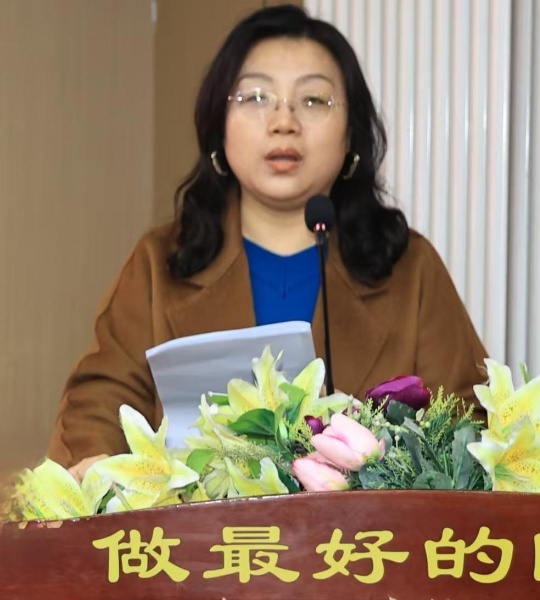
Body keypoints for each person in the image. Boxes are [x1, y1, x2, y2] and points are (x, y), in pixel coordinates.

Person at [47, 5, 488, 473]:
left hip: (366, 524)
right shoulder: (161, 263)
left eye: (313, 100)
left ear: (352, 134)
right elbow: (98, 407)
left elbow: (465, 422)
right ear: (219, 125)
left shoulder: (409, 266)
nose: (283, 121)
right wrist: (101, 472)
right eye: (255, 97)